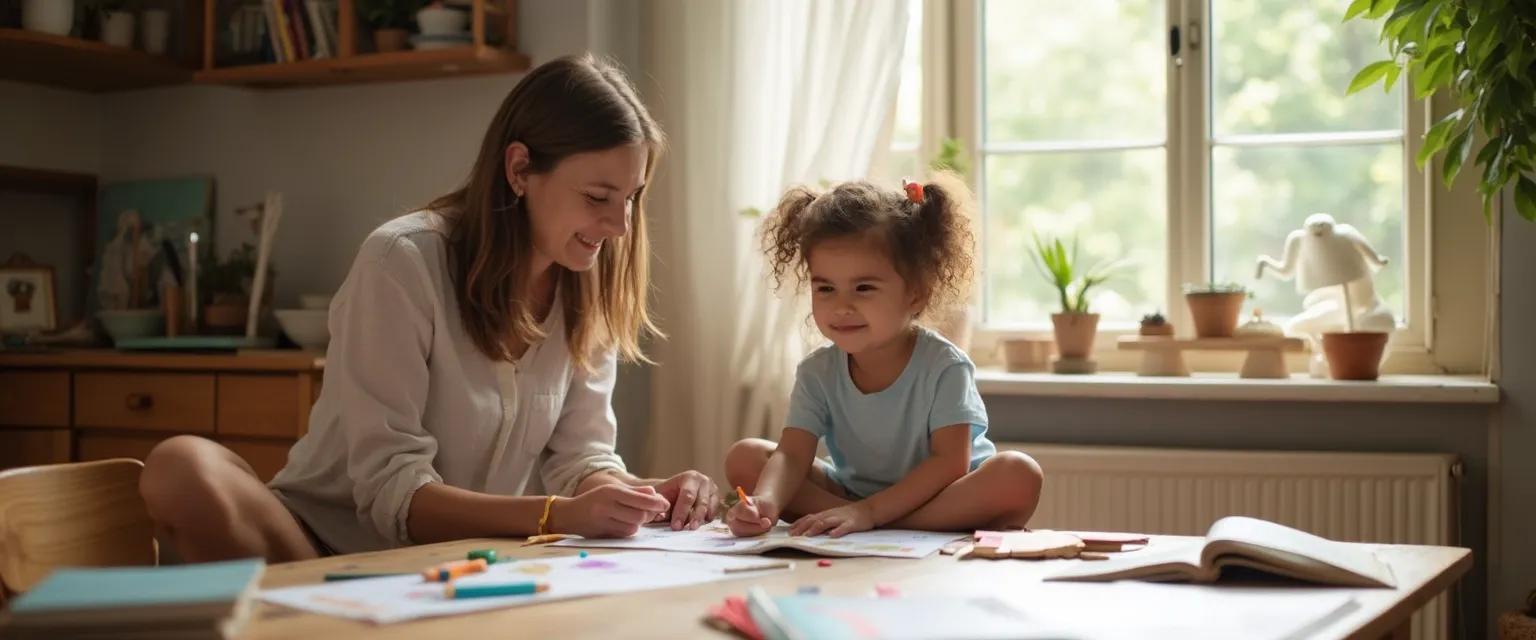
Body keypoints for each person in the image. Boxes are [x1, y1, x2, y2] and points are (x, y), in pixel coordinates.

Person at [139, 54, 718, 562]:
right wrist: (555, 516)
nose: (619, 227)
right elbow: (394, 494)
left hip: (473, 564)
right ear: (519, 169)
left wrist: (637, 495)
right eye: (597, 197)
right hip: (323, 544)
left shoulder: (586, 282)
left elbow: (579, 459)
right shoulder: (403, 261)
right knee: (182, 467)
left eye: (631, 199)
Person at [724, 175, 1043, 538]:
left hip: (942, 494)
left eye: (864, 288)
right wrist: (766, 499)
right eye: (825, 288)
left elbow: (950, 464)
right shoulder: (817, 371)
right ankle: (867, 520)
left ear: (916, 294)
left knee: (1018, 474)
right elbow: (792, 455)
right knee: (746, 457)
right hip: (853, 492)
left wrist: (872, 512)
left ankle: (871, 521)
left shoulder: (944, 366)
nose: (841, 306)